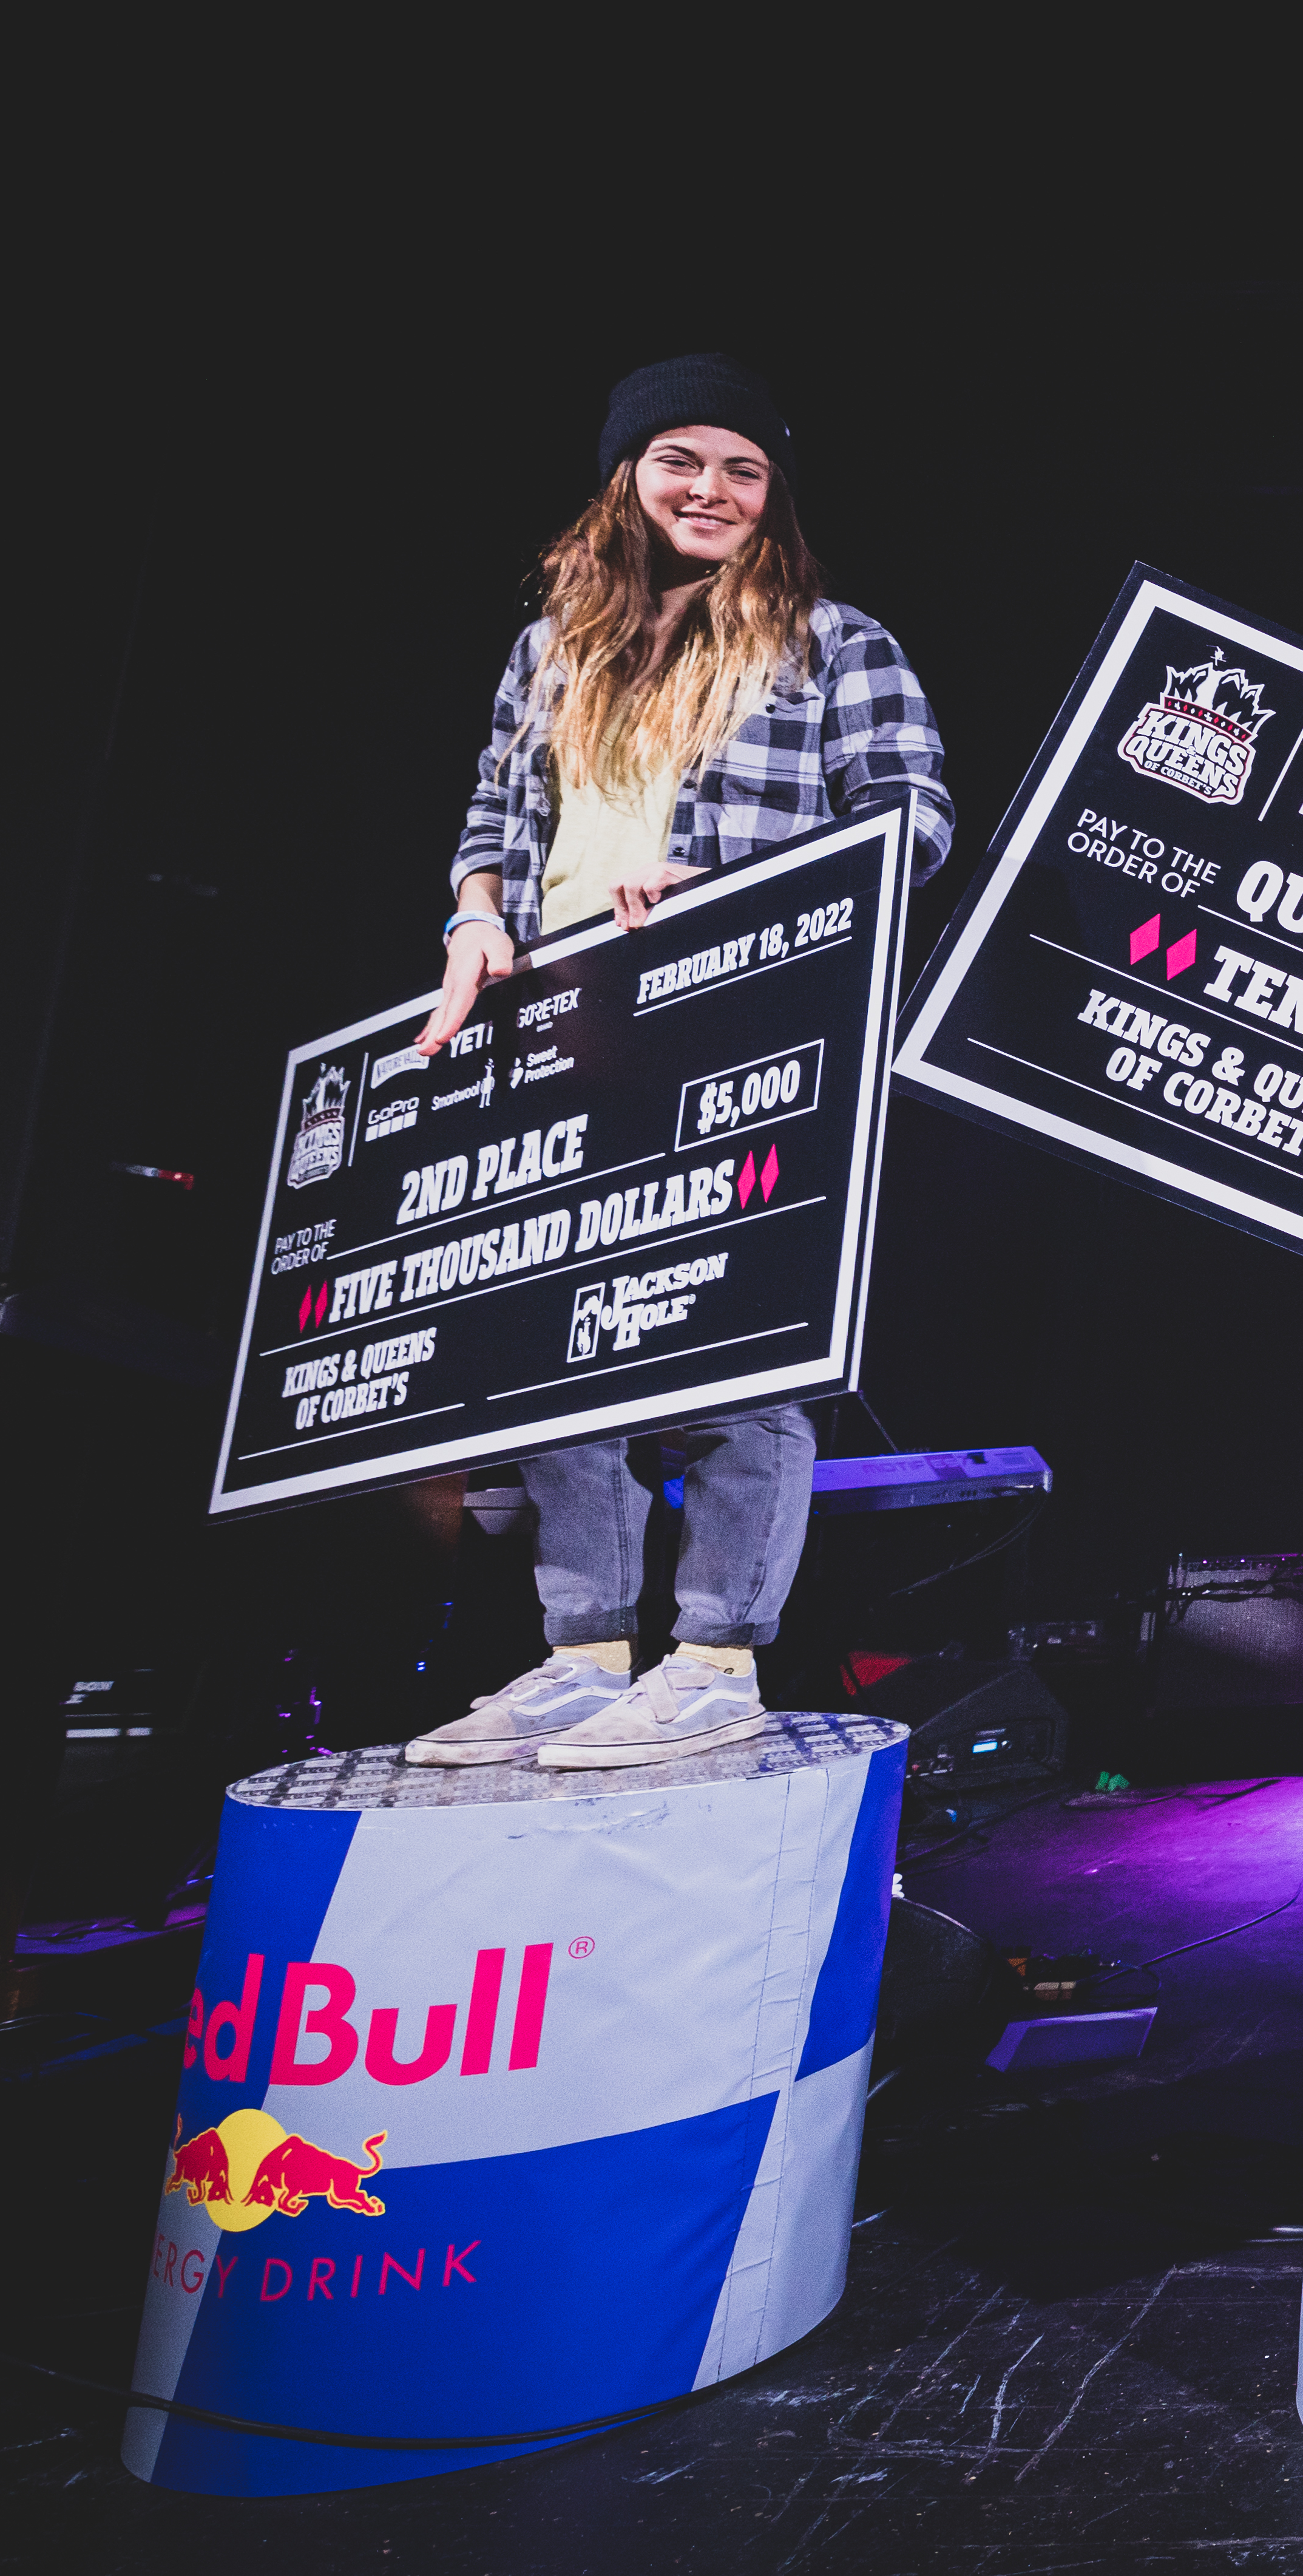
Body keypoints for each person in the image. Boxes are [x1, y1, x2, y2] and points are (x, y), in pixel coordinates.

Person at [402, 354, 949, 1770]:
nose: (710, 490)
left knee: (732, 1336)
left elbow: (913, 826)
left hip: (737, 1025)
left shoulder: (835, 642)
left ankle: (713, 1656)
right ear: (625, 477)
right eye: (680, 462)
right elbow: (495, 808)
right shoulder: (554, 649)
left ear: (771, 499)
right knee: (554, 1352)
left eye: (742, 470)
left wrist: (734, 888)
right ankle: (582, 1655)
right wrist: (475, 917)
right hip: (563, 1026)